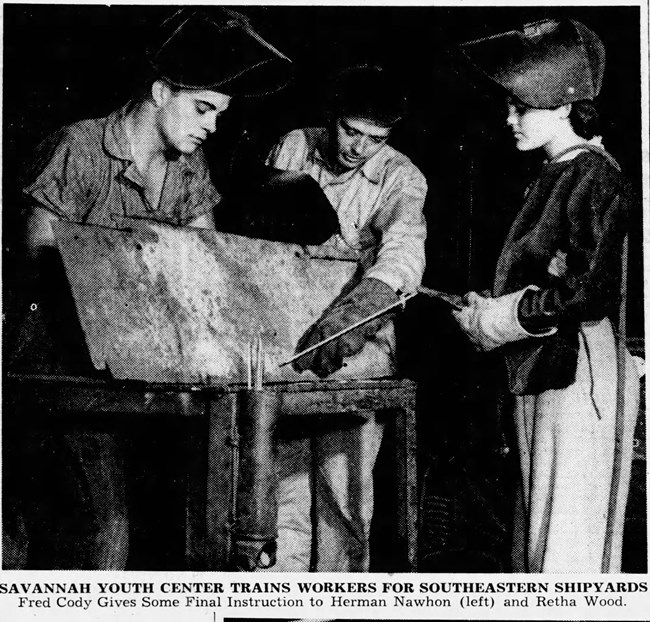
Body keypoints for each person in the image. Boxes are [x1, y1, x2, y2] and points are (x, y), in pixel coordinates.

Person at [8, 7, 291, 569]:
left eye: (220, 113)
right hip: (52, 372)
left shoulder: (189, 169)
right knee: (95, 538)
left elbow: (205, 266)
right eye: (204, 108)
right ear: (162, 91)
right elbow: (36, 259)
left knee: (187, 523)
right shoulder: (81, 147)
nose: (212, 125)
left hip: (141, 375)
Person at [454, 18, 640, 572]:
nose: (508, 118)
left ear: (563, 106)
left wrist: (500, 317)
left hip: (579, 374)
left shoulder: (595, 175)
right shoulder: (556, 171)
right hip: (545, 368)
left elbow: (588, 292)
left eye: (521, 106)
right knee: (540, 545)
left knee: (567, 550)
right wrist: (492, 309)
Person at [266, 65, 428, 571]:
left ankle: (335, 603)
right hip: (284, 340)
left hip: (355, 350)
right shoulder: (293, 146)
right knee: (281, 495)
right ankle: (279, 604)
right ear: (332, 117)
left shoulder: (401, 177)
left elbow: (402, 256)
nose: (358, 148)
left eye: (374, 139)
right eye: (350, 131)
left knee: (342, 497)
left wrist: (349, 322)